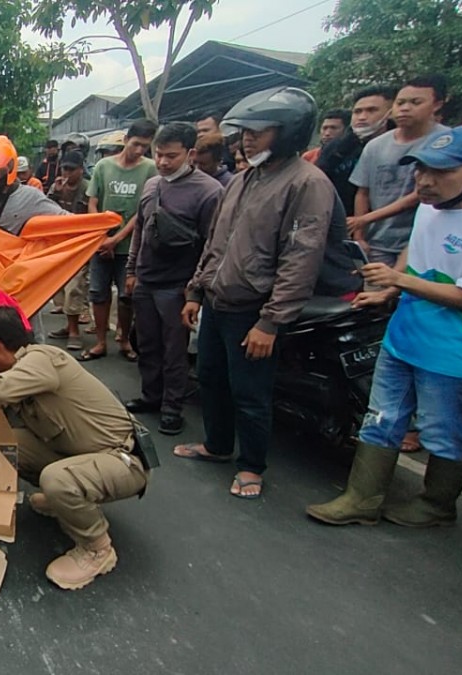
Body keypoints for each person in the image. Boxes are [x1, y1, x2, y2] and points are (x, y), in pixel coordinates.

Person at [307, 124, 462, 528]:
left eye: (441, 172)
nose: (425, 182)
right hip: (403, 336)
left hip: (455, 352)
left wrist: (399, 281)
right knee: (381, 417)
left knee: (444, 431)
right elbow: (414, 247)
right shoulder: (429, 208)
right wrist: (389, 288)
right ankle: (361, 498)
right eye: (421, 170)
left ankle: (437, 504)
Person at [0, 306, 149, 590]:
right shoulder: (19, 372)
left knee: (57, 480)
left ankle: (97, 548)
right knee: (6, 443)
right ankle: (67, 498)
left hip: (122, 460)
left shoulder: (42, 360)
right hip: (84, 452)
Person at [176, 86, 333, 499]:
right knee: (210, 377)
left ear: (289, 132)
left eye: (259, 131)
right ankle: (216, 446)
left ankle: (252, 467)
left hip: (255, 310)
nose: (247, 138)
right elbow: (216, 242)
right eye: (245, 131)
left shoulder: (307, 183)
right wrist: (195, 291)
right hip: (216, 301)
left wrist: (271, 320)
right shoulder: (243, 180)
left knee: (251, 392)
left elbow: (302, 258)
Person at [125, 122, 222, 436]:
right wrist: (131, 271)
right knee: (147, 345)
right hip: (146, 280)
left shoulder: (209, 192)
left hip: (177, 286)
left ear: (190, 154)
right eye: (159, 154)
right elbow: (140, 229)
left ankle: (171, 408)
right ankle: (151, 397)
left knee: (174, 351)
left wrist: (194, 290)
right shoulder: (153, 184)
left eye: (172, 156)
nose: (164, 162)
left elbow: (212, 245)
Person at [348, 75, 450, 265]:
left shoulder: (445, 141)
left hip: (423, 239)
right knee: (375, 291)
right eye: (400, 102)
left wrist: (364, 219)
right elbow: (362, 192)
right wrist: (360, 236)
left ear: (436, 105)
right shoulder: (376, 146)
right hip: (378, 241)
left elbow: (420, 194)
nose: (405, 108)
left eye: (415, 102)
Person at [82, 119, 158, 362]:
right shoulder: (104, 166)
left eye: (144, 147)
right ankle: (101, 342)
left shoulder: (150, 169)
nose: (138, 150)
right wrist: (102, 237)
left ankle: (124, 340)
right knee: (98, 293)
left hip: (130, 248)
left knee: (127, 296)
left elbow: (143, 211)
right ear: (126, 140)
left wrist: (116, 240)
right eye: (135, 144)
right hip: (100, 245)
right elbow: (92, 202)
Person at [316, 85, 396, 217]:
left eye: (371, 110)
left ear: (390, 113)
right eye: (357, 111)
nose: (362, 117)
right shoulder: (336, 148)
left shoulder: (402, 145)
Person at [45, 150, 93, 351]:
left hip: (81, 244)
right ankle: (67, 325)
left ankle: (74, 331)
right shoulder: (57, 188)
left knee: (75, 288)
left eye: (71, 169)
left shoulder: (88, 189)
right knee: (60, 286)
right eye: (64, 168)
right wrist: (54, 192)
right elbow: (45, 208)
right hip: (59, 243)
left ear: (81, 170)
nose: (66, 172)